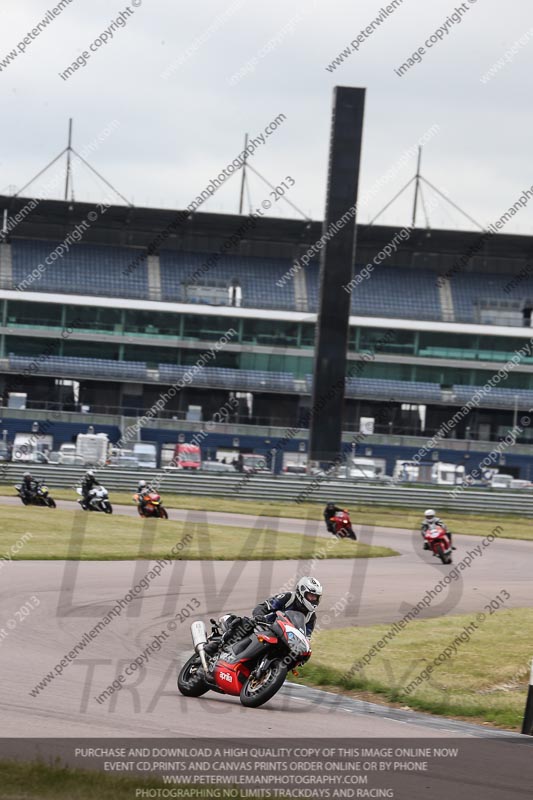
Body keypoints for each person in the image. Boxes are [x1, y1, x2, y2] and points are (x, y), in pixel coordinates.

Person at [206, 576, 323, 656]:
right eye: (311, 596)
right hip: (264, 626)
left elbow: (305, 638)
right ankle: (218, 646)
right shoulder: (288, 598)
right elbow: (264, 606)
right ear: (301, 592)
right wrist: (259, 616)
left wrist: (304, 651)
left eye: (315, 597)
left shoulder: (311, 617)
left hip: (283, 638)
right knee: (244, 624)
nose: (313, 599)